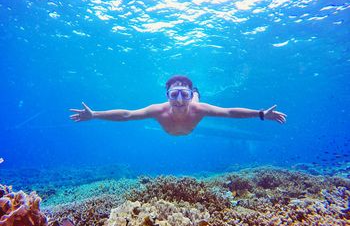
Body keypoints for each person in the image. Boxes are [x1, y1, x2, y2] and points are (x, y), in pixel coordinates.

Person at [69, 75, 287, 136]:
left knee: (198, 104)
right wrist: (95, 114)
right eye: (175, 95)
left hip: (196, 108)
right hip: (182, 123)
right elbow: (127, 115)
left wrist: (260, 114)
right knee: (196, 103)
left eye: (185, 94)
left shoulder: (197, 108)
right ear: (167, 95)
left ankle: (198, 93)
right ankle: (196, 92)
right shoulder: (158, 109)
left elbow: (229, 112)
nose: (180, 101)